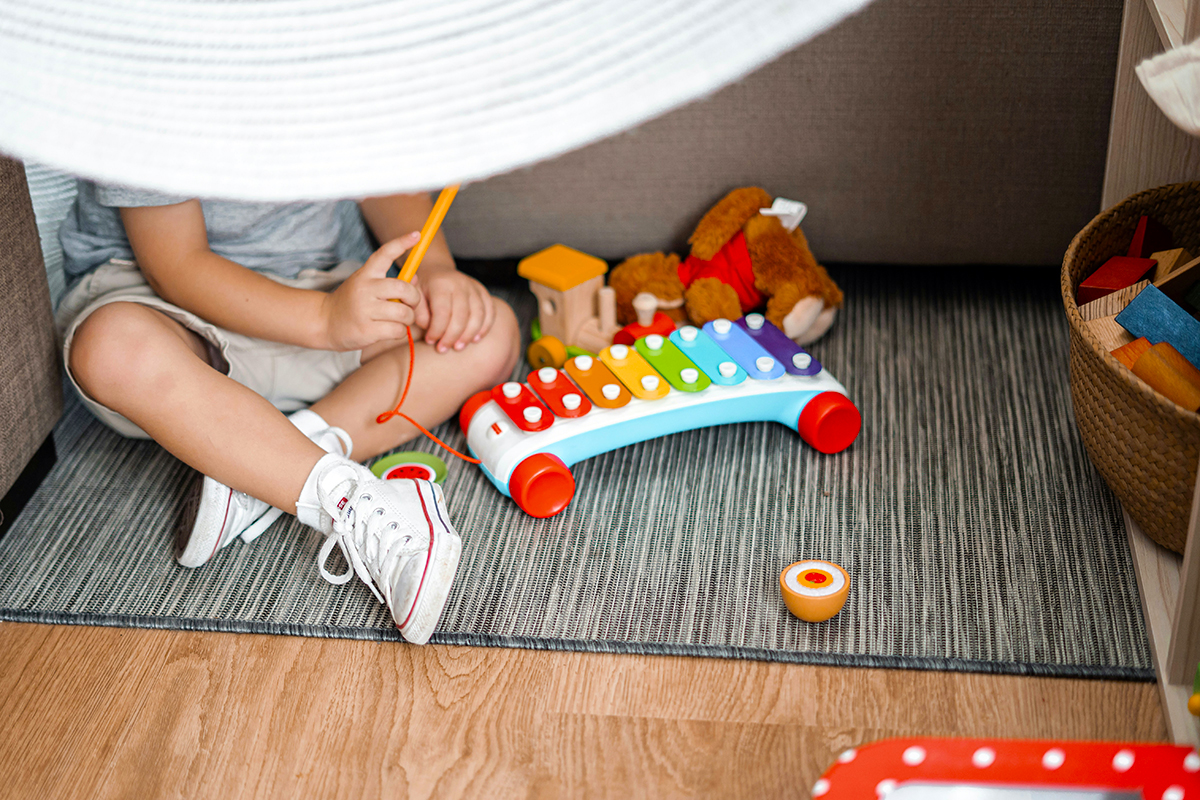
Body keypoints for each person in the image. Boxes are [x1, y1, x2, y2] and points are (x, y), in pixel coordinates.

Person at [55, 183, 521, 644]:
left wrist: (437, 270)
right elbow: (176, 264)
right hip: (166, 305)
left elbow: (381, 176)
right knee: (111, 350)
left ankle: (264, 464)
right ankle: (342, 495)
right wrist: (323, 319)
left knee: (490, 331)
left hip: (321, 286)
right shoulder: (150, 108)